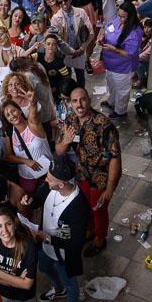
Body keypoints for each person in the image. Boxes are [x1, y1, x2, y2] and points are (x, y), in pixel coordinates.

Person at [22, 155, 90, 302]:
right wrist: (30, 200)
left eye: (50, 179)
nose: (45, 180)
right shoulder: (50, 187)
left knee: (70, 282)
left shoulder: (78, 207)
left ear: (61, 185)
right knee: (44, 267)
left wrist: (45, 237)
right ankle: (59, 289)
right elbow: (40, 196)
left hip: (64, 254)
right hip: (45, 246)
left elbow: (75, 243)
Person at [56, 87, 121, 256]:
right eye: (75, 100)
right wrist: (65, 141)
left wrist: (109, 189)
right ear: (70, 103)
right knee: (85, 207)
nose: (79, 104)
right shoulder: (70, 121)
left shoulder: (103, 124)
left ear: (89, 100)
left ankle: (100, 238)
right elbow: (59, 151)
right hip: (81, 174)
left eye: (83, 99)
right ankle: (90, 232)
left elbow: (115, 158)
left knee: (98, 210)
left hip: (100, 177)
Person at [99, 0, 143, 119]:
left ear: (131, 16)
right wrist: (102, 37)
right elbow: (107, 29)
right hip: (110, 63)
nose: (120, 18)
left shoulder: (134, 32)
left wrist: (114, 49)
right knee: (111, 85)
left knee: (122, 90)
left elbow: (129, 53)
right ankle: (111, 101)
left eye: (123, 17)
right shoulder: (117, 19)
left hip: (122, 67)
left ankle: (120, 111)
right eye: (119, 15)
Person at [2, 96, 52, 194]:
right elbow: (9, 157)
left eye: (13, 111)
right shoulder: (9, 133)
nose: (12, 116)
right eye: (8, 115)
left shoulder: (33, 124)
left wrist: (32, 103)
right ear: (7, 120)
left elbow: (33, 114)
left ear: (20, 111)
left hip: (49, 173)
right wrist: (26, 161)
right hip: (27, 178)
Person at [51, 0, 95, 87]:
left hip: (79, 50)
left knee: (81, 78)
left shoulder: (81, 12)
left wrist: (82, 49)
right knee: (66, 80)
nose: (63, 3)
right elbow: (55, 39)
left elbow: (91, 33)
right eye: (60, 2)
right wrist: (69, 51)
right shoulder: (55, 18)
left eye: (65, 0)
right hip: (64, 54)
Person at [36, 33, 71, 103]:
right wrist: (33, 47)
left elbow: (67, 78)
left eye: (53, 44)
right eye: (48, 44)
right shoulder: (37, 56)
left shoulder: (60, 63)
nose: (51, 46)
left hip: (53, 95)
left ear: (56, 47)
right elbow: (23, 59)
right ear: (44, 45)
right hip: (38, 93)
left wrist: (57, 89)